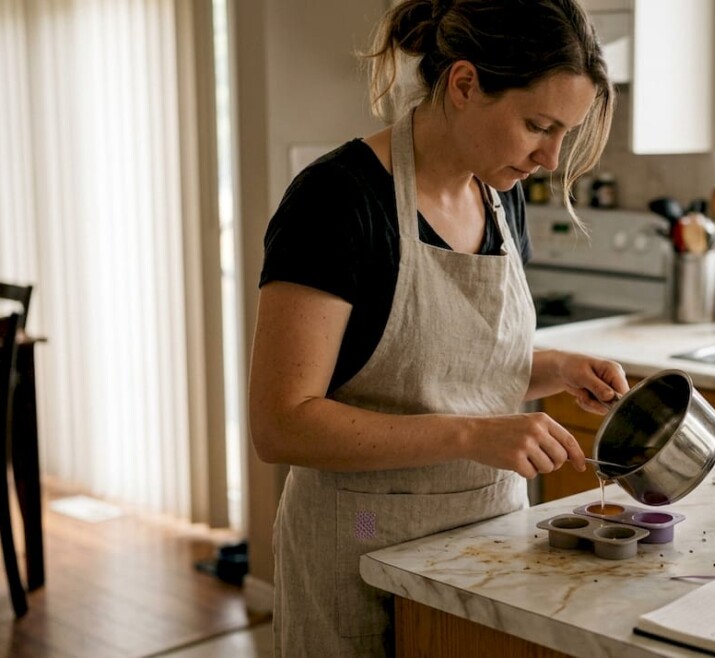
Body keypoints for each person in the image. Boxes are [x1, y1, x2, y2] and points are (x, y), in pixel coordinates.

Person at [247, 0, 624, 654]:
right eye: (537, 125)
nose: (549, 157)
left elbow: (450, 371)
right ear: (465, 84)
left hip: (488, 545)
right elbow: (280, 424)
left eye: (564, 133)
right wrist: (473, 434)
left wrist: (556, 369)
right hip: (361, 538)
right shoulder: (337, 201)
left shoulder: (500, 197)